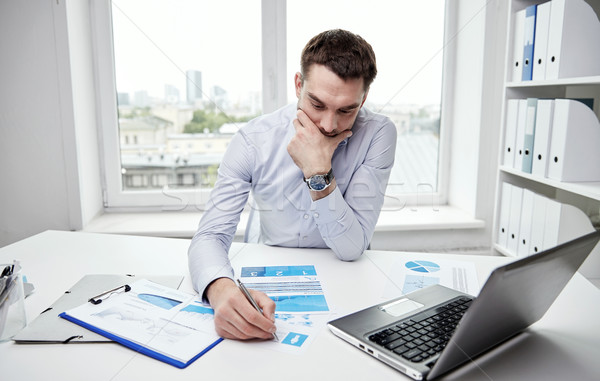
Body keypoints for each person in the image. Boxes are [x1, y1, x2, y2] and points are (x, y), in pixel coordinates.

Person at [188, 29, 397, 340]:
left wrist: (318, 171)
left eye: (346, 110)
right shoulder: (252, 140)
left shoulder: (378, 134)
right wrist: (220, 290)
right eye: (317, 104)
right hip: (267, 270)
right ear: (299, 85)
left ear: (363, 99)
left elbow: (351, 248)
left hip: (344, 280)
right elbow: (210, 236)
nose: (328, 125)